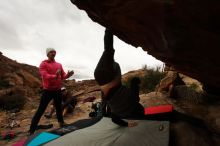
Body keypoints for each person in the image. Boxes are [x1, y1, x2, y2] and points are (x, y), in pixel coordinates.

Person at [94, 29, 144, 127]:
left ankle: (108, 28)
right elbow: (114, 120)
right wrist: (126, 125)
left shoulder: (134, 101)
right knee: (109, 52)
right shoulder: (116, 112)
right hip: (100, 79)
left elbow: (134, 82)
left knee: (109, 50)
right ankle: (108, 31)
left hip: (111, 78)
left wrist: (138, 82)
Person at [29, 48, 74, 135]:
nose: (53, 53)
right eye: (51, 52)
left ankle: (61, 123)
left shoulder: (59, 64)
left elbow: (63, 76)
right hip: (47, 91)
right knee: (41, 110)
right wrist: (55, 75)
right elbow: (44, 75)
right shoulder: (43, 64)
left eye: (54, 52)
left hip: (57, 90)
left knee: (58, 108)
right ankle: (32, 129)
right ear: (47, 54)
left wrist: (68, 75)